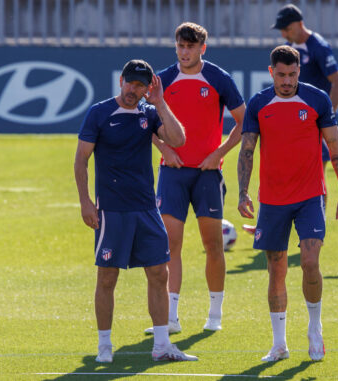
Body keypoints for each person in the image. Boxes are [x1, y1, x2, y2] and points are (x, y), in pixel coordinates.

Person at [74, 59, 197, 363]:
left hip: (145, 208)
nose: (134, 89)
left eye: (141, 85)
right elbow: (81, 160)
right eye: (130, 82)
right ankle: (104, 346)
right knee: (107, 278)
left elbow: (179, 140)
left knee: (159, 273)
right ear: (121, 81)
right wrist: (86, 202)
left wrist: (161, 102)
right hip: (112, 210)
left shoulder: (150, 114)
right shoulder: (99, 113)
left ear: (147, 88)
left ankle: (162, 345)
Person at [237, 46, 338, 362]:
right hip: (272, 200)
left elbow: (335, 147)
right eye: (281, 74)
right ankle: (279, 344)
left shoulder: (317, 99)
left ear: (299, 71)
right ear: (271, 71)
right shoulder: (259, 104)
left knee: (311, 261)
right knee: (276, 269)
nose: (287, 81)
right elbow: (247, 151)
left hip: (310, 196)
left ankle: (315, 329)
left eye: (293, 74)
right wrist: (242, 192)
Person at [145, 22, 246, 334]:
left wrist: (220, 153)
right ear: (175, 46)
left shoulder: (218, 78)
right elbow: (145, 120)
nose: (185, 52)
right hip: (172, 173)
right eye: (180, 46)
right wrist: (164, 148)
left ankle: (214, 315)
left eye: (191, 47)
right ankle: (171, 317)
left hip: (207, 174)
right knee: (170, 243)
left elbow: (244, 121)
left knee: (213, 244)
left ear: (203, 48)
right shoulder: (162, 80)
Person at [242, 4, 338, 236]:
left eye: (286, 28)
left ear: (299, 24)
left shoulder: (318, 47)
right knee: (277, 167)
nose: (282, 34)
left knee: (316, 174)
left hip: (312, 123)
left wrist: (324, 122)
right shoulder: (290, 48)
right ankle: (268, 222)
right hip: (291, 120)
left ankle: (314, 227)